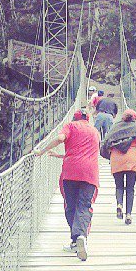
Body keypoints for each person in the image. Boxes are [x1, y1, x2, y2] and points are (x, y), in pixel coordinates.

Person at [35, 109, 100, 260]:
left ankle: (75, 241)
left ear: (74, 118)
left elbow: (60, 138)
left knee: (70, 206)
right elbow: (86, 153)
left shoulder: (70, 126)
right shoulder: (95, 131)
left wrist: (42, 151)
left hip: (71, 172)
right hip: (90, 172)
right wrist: (61, 155)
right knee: (84, 206)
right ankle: (81, 237)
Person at [100, 109, 136, 225]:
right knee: (130, 188)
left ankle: (119, 204)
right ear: (134, 118)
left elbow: (106, 143)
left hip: (116, 160)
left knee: (119, 186)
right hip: (131, 160)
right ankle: (128, 214)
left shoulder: (115, 128)